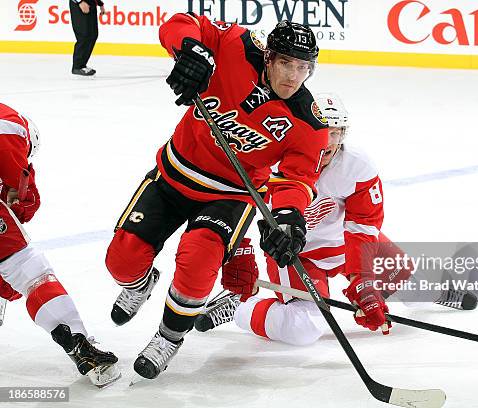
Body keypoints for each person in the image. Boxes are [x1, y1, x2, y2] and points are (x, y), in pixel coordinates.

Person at [104, 14, 328, 379]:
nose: (293, 76)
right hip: (174, 174)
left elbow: (297, 179)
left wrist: (288, 217)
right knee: (122, 260)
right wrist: (189, 49)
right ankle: (140, 284)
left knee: (197, 261)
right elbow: (181, 22)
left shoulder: (308, 122)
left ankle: (169, 337)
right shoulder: (235, 45)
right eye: (286, 63)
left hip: (231, 194)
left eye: (303, 67)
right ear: (268, 57)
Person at [194, 94, 477, 346]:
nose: (327, 142)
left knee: (410, 286)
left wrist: (362, 281)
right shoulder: (273, 163)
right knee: (303, 328)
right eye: (321, 132)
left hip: (346, 246)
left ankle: (429, 291)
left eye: (335, 133)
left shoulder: (356, 166)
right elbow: (236, 207)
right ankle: (244, 305)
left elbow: (363, 226)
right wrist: (239, 254)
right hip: (297, 255)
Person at [0, 103, 120, 386]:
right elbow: (17, 196)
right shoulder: (12, 124)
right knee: (28, 270)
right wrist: (25, 194)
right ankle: (81, 347)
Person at [69, 0, 106, 76]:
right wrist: (80, 2)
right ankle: (77, 66)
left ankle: (82, 65)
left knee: (93, 34)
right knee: (84, 35)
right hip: (79, 4)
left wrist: (100, 3)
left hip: (91, 3)